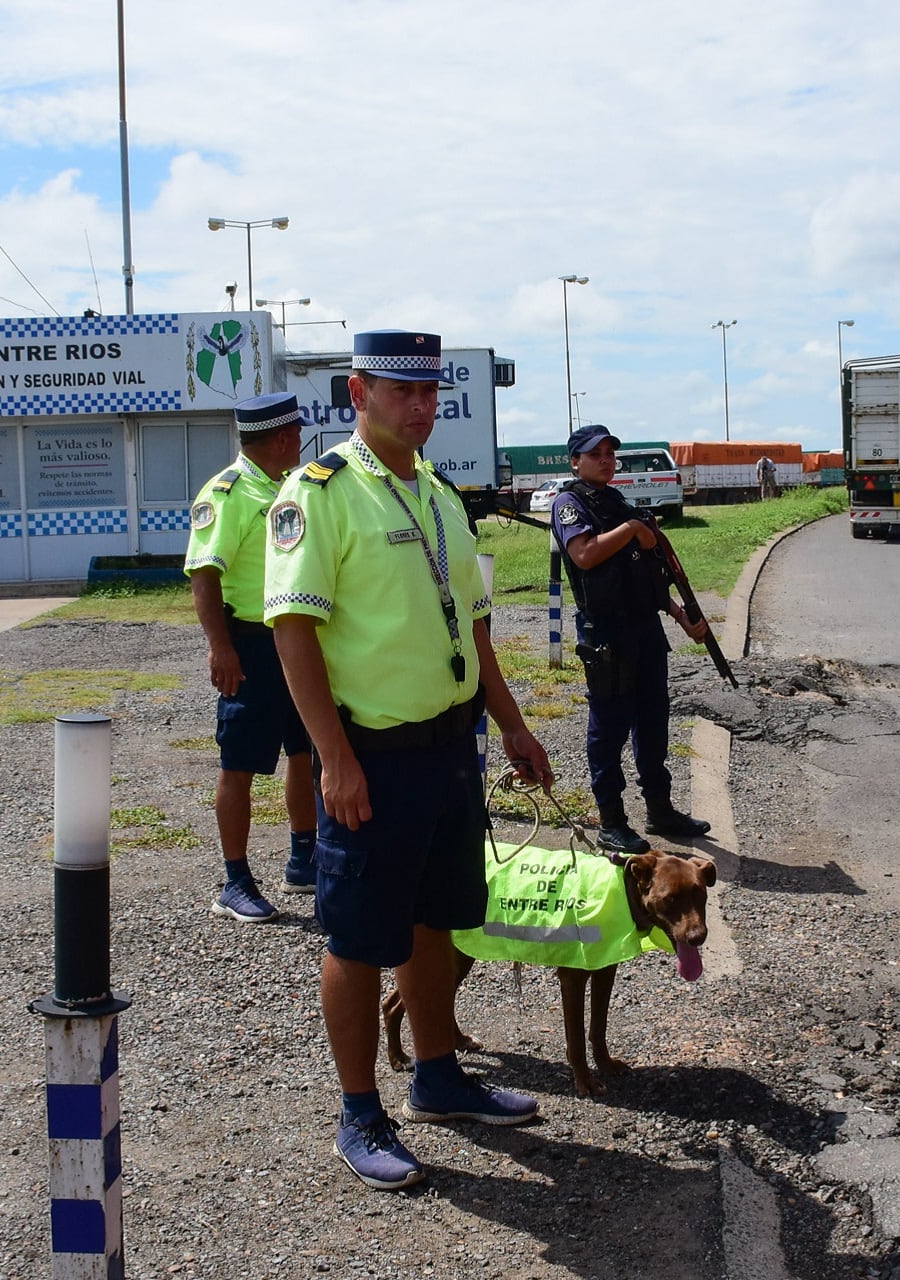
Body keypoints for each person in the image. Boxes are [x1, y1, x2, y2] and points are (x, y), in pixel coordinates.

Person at [265, 329, 555, 1192]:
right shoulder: (319, 495)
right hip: (372, 756)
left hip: (449, 748)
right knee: (358, 937)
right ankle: (360, 1111)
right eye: (403, 392)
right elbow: (293, 630)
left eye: (432, 393)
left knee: (439, 918)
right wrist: (333, 759)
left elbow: (473, 625)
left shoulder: (437, 492)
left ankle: (436, 1075)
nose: (422, 408)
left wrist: (511, 725)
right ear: (358, 393)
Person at [185, 392, 318, 923]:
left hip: (297, 637)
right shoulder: (228, 493)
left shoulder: (291, 487)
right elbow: (204, 573)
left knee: (305, 749)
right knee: (239, 762)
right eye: (298, 435)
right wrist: (221, 648)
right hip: (250, 642)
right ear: (282, 437)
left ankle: (303, 855)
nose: (301, 443)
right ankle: (234, 880)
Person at [551, 423, 713, 854]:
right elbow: (584, 555)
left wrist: (681, 616)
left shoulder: (617, 501)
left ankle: (660, 810)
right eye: (595, 453)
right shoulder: (570, 503)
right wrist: (632, 531)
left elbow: (648, 575)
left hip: (644, 628)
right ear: (575, 461)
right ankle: (612, 822)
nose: (605, 460)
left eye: (609, 453)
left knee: (653, 723)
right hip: (607, 634)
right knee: (608, 731)